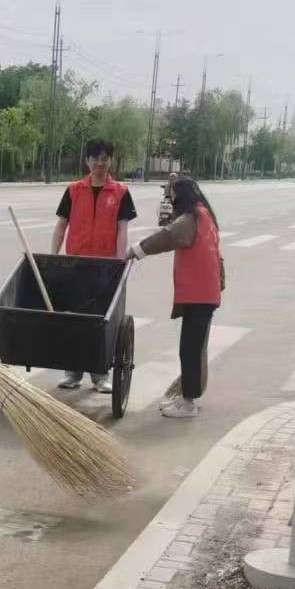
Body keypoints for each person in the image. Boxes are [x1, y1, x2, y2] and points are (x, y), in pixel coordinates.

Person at [124, 176, 223, 419]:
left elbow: (168, 236)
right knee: (194, 348)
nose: (170, 200)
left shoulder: (191, 219)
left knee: (189, 349)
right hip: (205, 293)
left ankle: (189, 403)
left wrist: (136, 250)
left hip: (199, 294)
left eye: (172, 196)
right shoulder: (205, 215)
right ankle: (188, 396)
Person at [51, 139, 136, 391]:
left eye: (105, 158)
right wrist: (53, 257)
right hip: (75, 266)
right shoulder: (73, 190)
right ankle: (72, 373)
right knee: (74, 318)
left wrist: (119, 263)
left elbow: (122, 230)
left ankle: (100, 375)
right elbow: (61, 226)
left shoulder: (120, 192)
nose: (100, 163)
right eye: (95, 158)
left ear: (111, 161)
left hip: (104, 268)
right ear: (87, 161)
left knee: (100, 320)